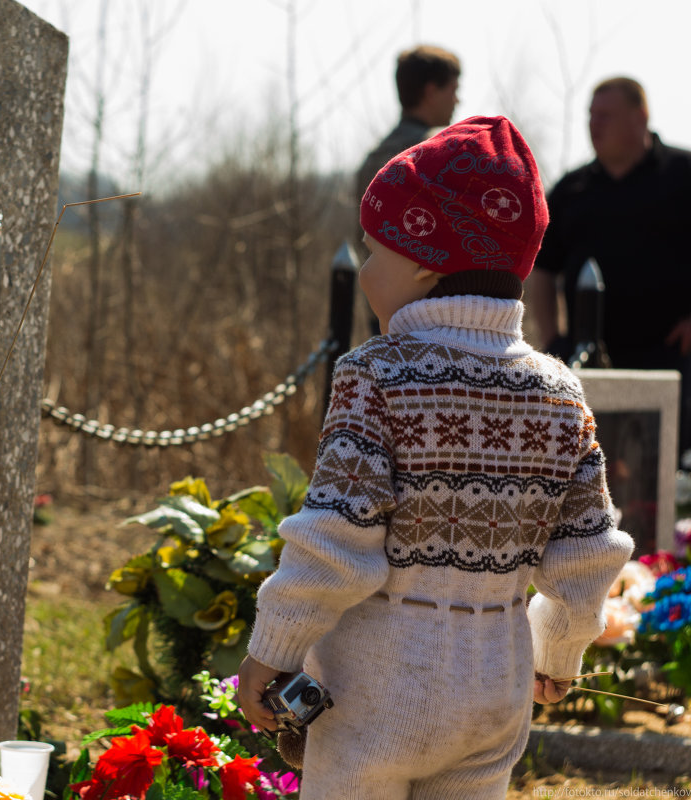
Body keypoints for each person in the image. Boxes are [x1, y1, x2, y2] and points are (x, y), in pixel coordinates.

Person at [236, 116, 634, 799]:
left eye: (374, 250)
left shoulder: (378, 375)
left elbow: (335, 539)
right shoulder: (559, 393)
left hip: (374, 692)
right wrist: (559, 651)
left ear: (425, 258)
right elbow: (585, 552)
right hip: (494, 689)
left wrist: (269, 654)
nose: (364, 271)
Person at [530, 76, 691, 456]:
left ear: (640, 117)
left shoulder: (683, 175)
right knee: (596, 466)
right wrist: (553, 341)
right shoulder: (572, 189)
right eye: (591, 115)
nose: (593, 124)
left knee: (668, 466)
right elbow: (542, 270)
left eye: (605, 115)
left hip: (670, 358)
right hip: (590, 363)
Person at [354, 45, 461, 332]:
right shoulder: (440, 152)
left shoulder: (372, 159)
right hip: (435, 317)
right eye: (452, 89)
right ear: (430, 91)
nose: (457, 100)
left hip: (379, 310)